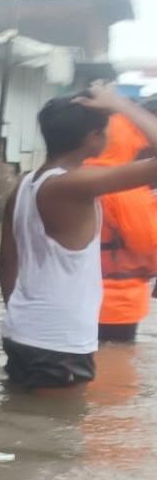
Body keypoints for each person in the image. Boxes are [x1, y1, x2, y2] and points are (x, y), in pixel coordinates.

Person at [0, 85, 157, 389]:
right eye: (104, 131)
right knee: (57, 431)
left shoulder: (23, 186)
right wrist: (122, 105)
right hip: (58, 342)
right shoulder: (72, 185)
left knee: (24, 422)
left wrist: (22, 316)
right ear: (92, 138)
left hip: (21, 330)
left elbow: (6, 261)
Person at [83, 114, 157, 343]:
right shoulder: (126, 189)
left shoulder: (70, 178)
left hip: (72, 296)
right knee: (115, 366)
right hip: (117, 302)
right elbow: (148, 244)